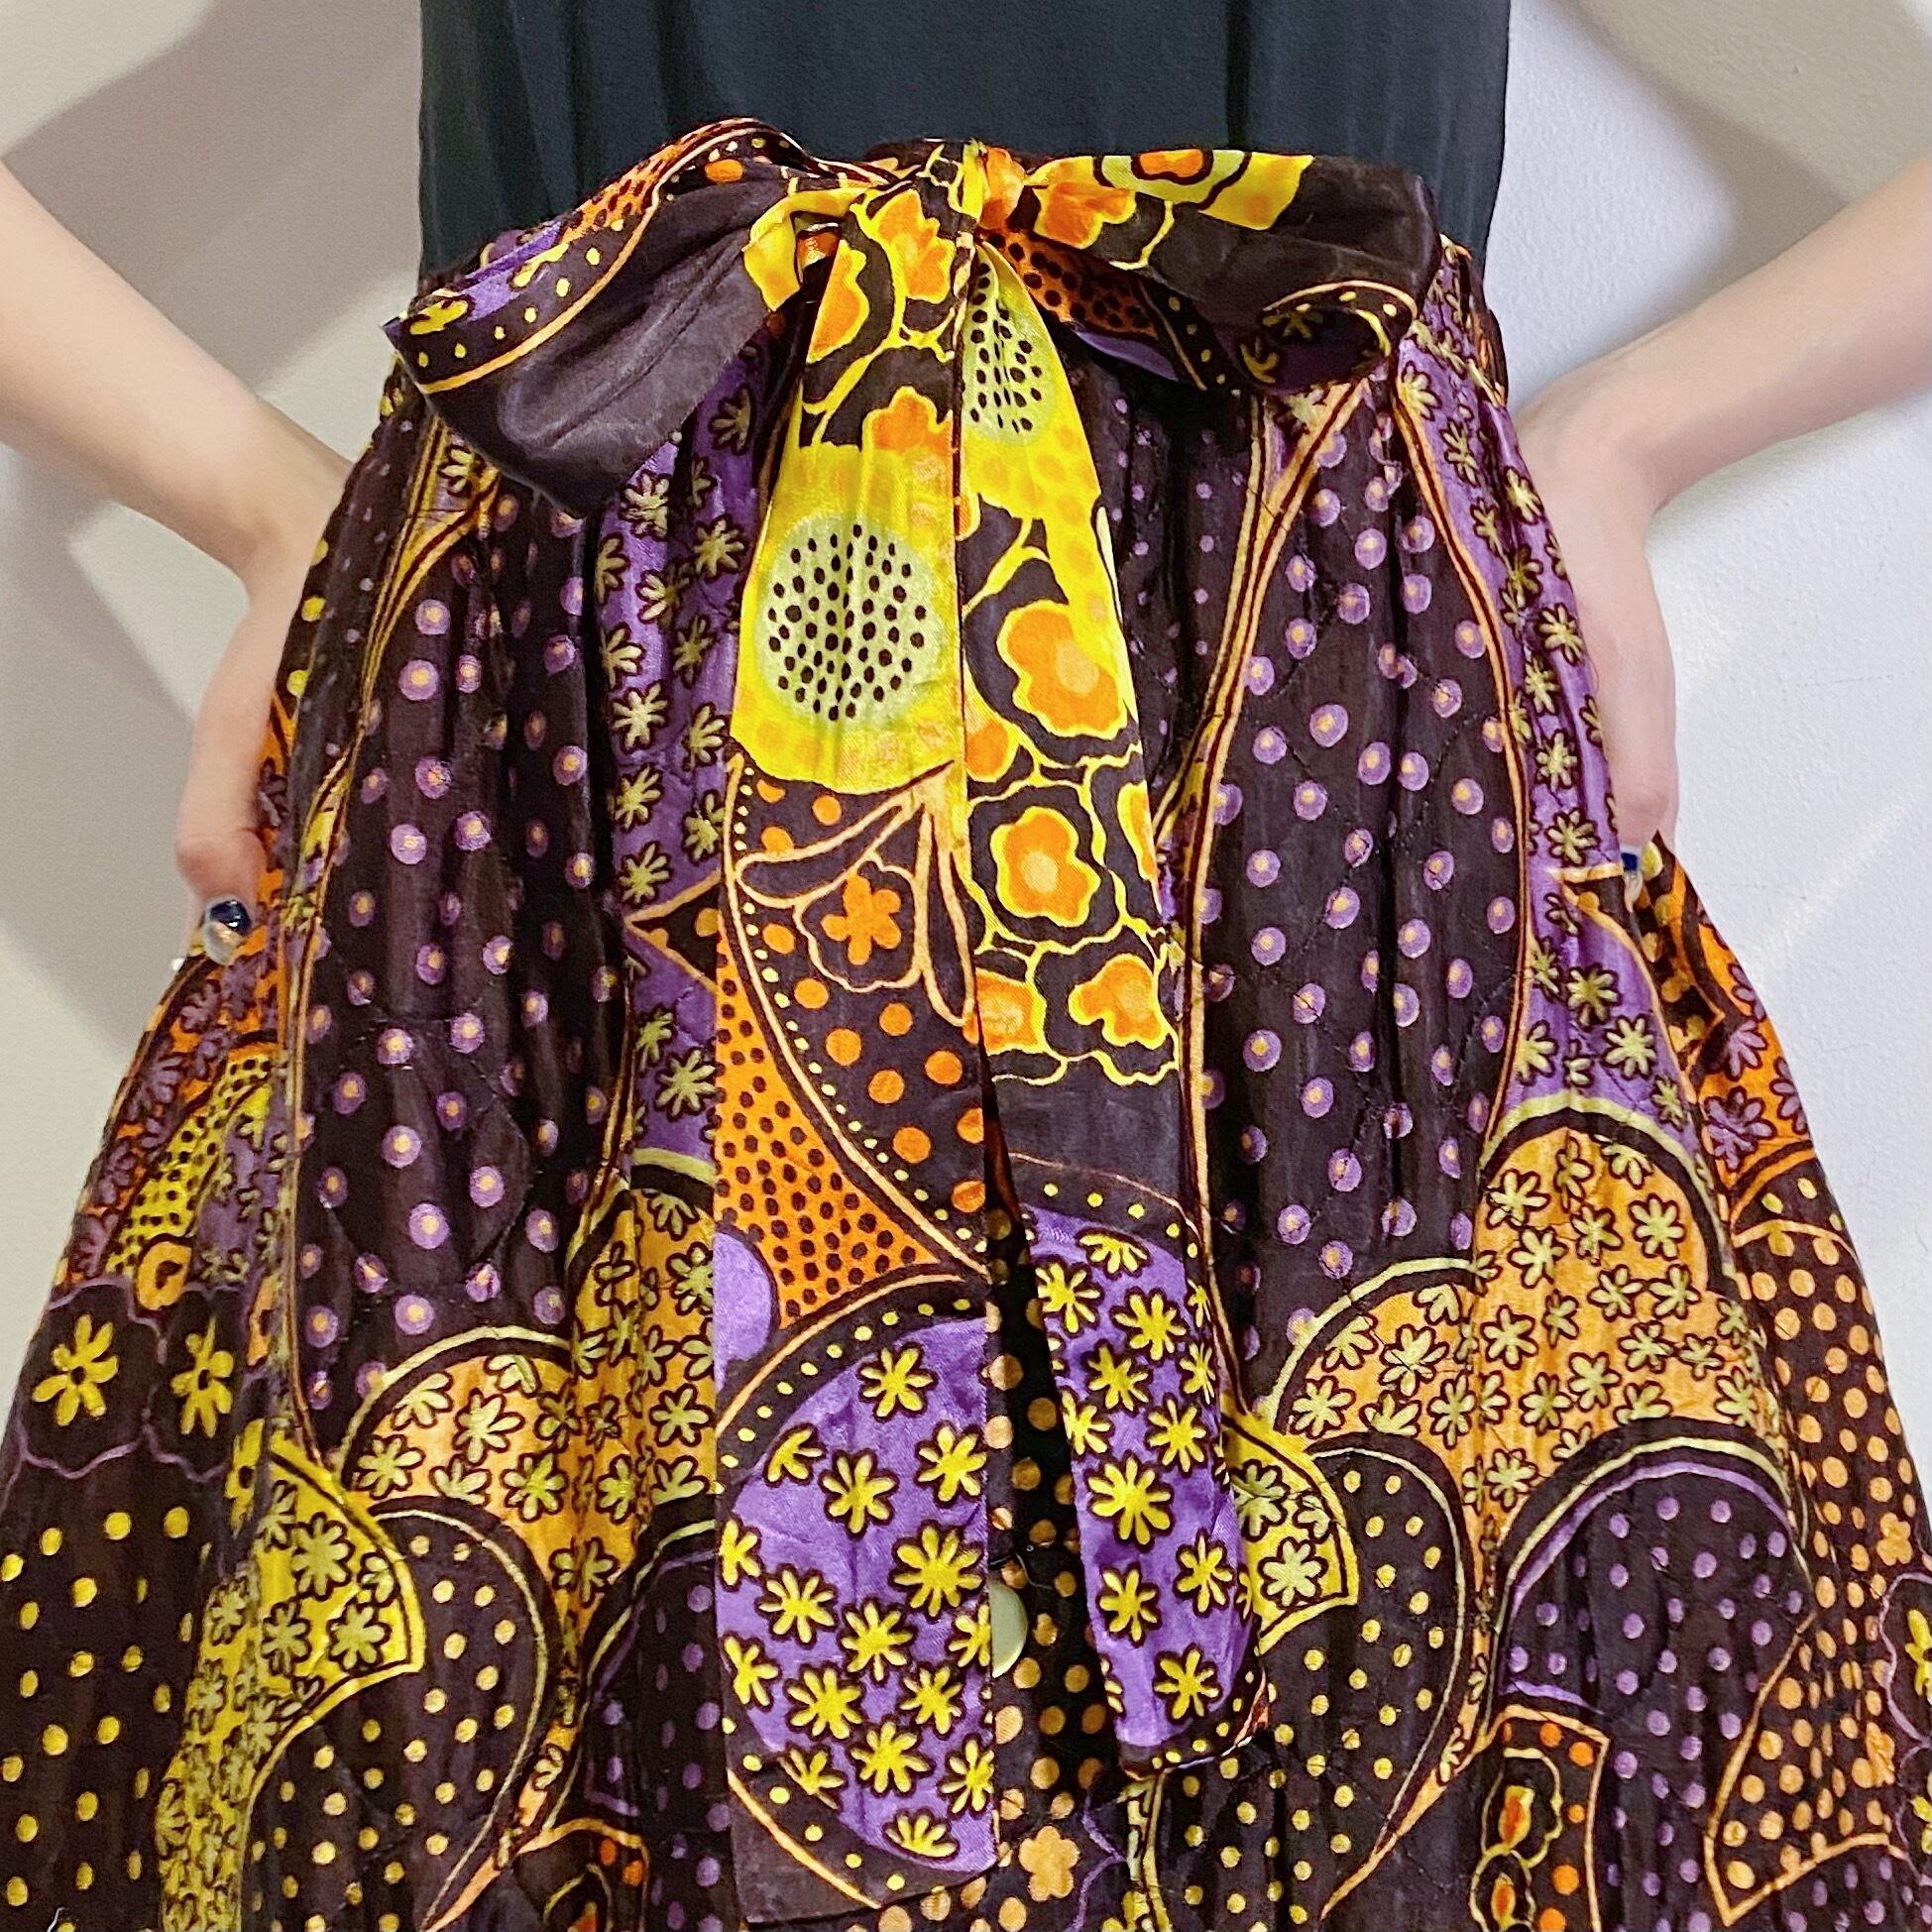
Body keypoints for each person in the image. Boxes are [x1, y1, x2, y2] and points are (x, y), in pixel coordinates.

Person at [0, 7, 1928, 1926]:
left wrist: (1622, 439)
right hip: (602, 676)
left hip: (1321, 698)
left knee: (1397, 1664)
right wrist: (265, 511)